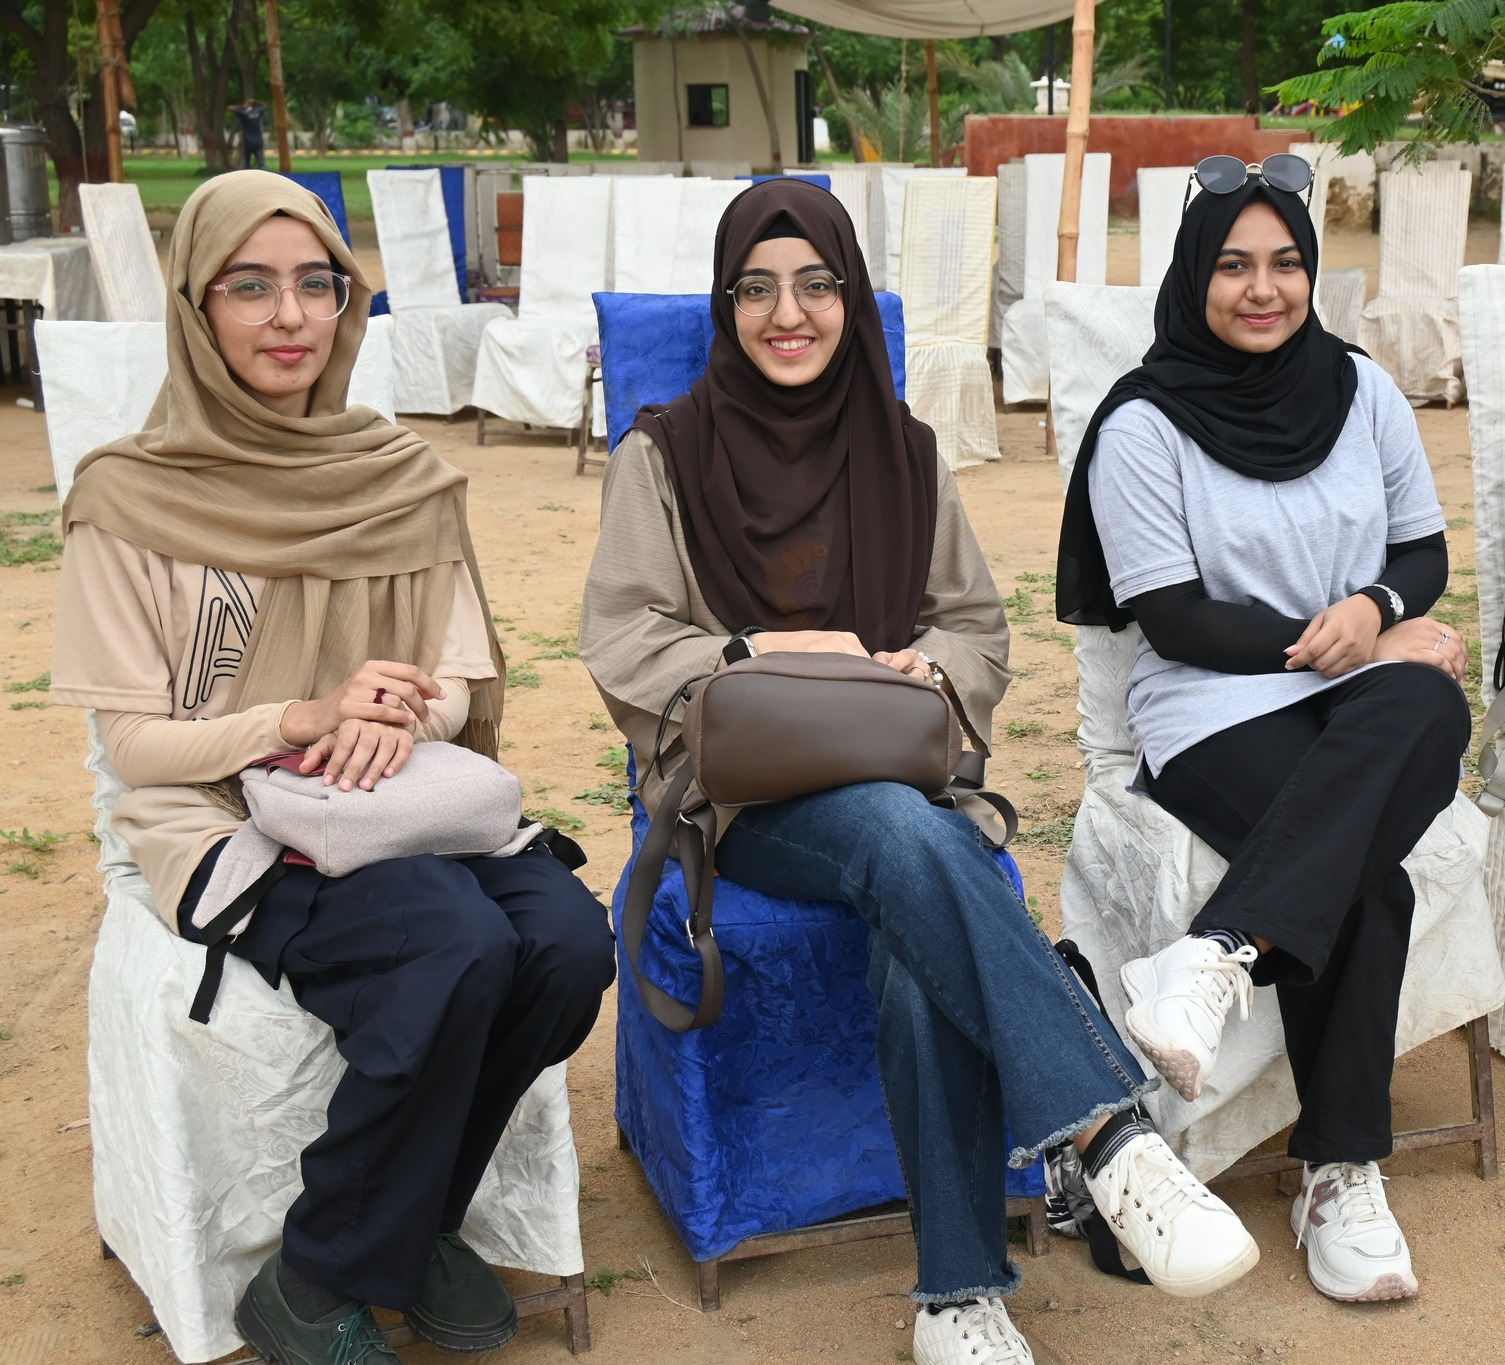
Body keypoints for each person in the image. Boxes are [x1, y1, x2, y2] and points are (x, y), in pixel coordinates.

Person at [580, 178, 1258, 1365]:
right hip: (744, 796)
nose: (787, 314)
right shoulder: (662, 454)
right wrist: (762, 650)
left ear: (849, 298)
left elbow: (972, 624)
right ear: (725, 305)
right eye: (756, 290)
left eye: (816, 285)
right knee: (908, 839)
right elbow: (624, 635)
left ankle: (957, 1297)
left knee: (911, 896)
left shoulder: (904, 452)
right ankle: (1107, 1137)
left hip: (899, 771)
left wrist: (925, 668)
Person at [50, 172, 615, 1364]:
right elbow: (136, 747)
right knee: (455, 944)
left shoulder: (398, 474)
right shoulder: (130, 496)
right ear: (196, 308)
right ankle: (322, 1279)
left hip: (397, 794)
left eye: (318, 284)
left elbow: (457, 677)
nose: (291, 316)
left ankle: (384, 1232)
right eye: (249, 287)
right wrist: (299, 716)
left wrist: (399, 712)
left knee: (566, 945)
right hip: (225, 817)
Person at [1058, 157, 1474, 1305]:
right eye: (1234, 265)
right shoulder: (1141, 424)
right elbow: (1174, 617)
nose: (1262, 288)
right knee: (1368, 888)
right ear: (1194, 274)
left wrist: (1376, 610)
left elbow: (1421, 553)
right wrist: (1340, 639)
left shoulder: (1363, 390)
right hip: (1211, 709)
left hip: (1357, 701)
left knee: (1431, 699)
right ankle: (1341, 1172)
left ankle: (1211, 958)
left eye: (1285, 263)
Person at [232, 102, 266, 170]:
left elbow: (231, 108)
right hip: (258, 141)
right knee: (261, 163)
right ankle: (264, 174)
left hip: (248, 141)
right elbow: (264, 105)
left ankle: (247, 174)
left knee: (247, 163)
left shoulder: (244, 114)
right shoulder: (258, 112)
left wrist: (241, 106)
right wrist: (255, 101)